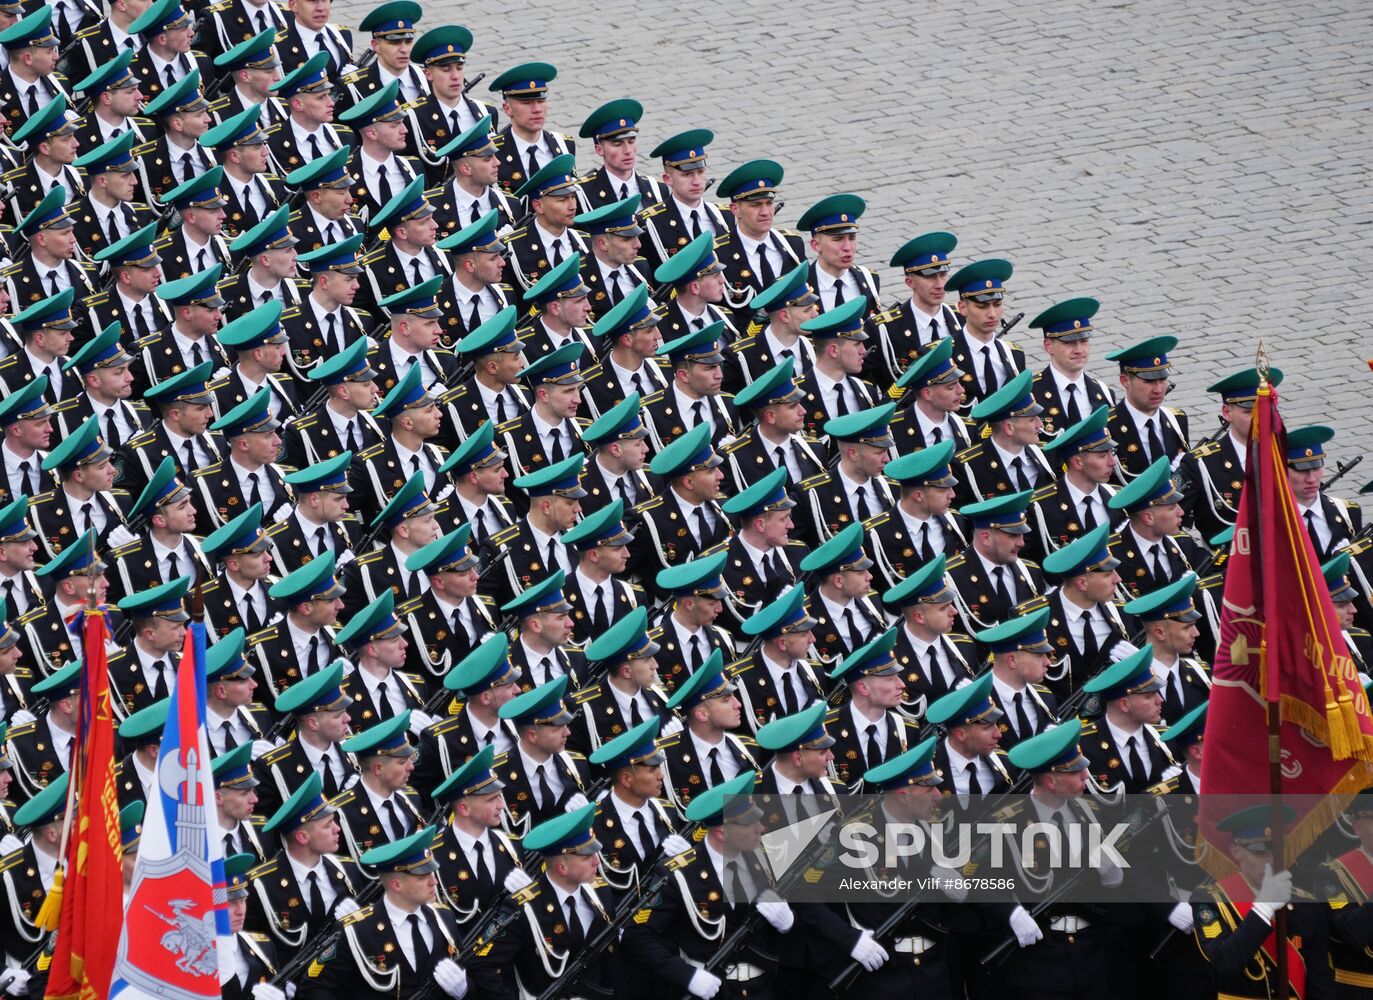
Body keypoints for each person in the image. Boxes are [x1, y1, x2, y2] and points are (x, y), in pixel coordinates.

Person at [622, 769, 797, 1000]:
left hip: (761, 988)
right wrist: (686, 976)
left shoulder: (768, 859)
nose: (761, 829)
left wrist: (787, 925)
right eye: (749, 824)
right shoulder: (679, 873)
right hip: (711, 990)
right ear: (721, 833)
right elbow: (637, 935)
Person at [989, 719, 1125, 1000]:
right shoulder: (1006, 822)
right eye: (1077, 772)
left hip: (1091, 960)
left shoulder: (1094, 814)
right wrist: (1010, 912)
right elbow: (980, 878)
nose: (1087, 776)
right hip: (1038, 965)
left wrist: (1114, 879)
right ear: (1051, 781)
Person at [466, 803, 617, 999]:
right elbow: (481, 963)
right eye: (587, 856)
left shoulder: (600, 893)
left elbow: (612, 963)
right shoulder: (523, 907)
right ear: (562, 866)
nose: (597, 861)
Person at [1192, 805, 1332, 999]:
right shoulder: (1210, 901)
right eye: (1258, 852)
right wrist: (1264, 906)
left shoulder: (1305, 903)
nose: (1270, 860)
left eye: (1276, 849)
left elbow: (1320, 981)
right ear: (1236, 851)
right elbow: (1225, 965)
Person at [246, 771, 364, 965]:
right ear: (302, 837)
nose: (337, 829)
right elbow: (254, 946)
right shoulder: (261, 884)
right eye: (327, 825)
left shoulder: (347, 871)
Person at [586, 717, 689, 895]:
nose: (661, 776)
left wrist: (689, 860)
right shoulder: (593, 823)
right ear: (627, 779)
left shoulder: (667, 811)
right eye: (652, 770)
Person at [413, 635, 522, 803]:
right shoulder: (439, 741)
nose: (518, 689)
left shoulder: (519, 726)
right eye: (509, 686)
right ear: (486, 697)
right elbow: (412, 791)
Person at [1032, 523, 1132, 699]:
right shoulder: (1034, 619)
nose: (1118, 579)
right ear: (1082, 583)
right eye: (1108, 574)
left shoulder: (1124, 616)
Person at [254, 663, 359, 815]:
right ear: (313, 723)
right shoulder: (274, 768)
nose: (348, 719)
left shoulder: (354, 754)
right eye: (338, 715)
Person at [400, 525, 498, 688]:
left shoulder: (487, 607)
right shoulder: (410, 619)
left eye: (474, 568)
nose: (475, 576)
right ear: (438, 581)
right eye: (463, 573)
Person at [659, 648, 758, 811]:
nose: (738, 704)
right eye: (726, 700)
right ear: (702, 714)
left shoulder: (750, 750)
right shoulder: (668, 760)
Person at [880, 554, 977, 717]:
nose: (954, 611)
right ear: (919, 617)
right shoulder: (888, 660)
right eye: (944, 607)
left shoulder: (964, 646)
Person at [715, 159, 808, 326]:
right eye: (756, 205)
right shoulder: (719, 254)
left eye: (769, 203)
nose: (765, 212)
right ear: (735, 210)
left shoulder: (792, 244)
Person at [492, 676, 590, 834]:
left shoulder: (577, 766)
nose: (567, 732)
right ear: (532, 736)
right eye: (558, 728)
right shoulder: (497, 776)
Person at [723, 359, 826, 507]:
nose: (803, 411)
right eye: (793, 406)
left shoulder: (814, 450)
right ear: (770, 416)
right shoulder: (735, 459)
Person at [402, 26, 500, 183]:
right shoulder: (413, 117)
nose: (455, 76)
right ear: (428, 74)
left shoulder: (486, 112)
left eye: (459, 68)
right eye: (446, 70)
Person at [31, 414, 134, 560]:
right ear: (78, 476)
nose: (113, 470)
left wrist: (132, 552)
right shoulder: (39, 512)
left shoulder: (121, 501)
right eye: (102, 466)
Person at [634, 423, 730, 581]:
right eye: (712, 470)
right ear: (689, 482)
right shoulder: (648, 520)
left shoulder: (725, 508)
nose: (721, 476)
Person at [106, 456, 206, 607]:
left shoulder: (204, 549)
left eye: (189, 502)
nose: (192, 511)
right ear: (160, 520)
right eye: (182, 506)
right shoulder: (123, 562)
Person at [568, 607, 669, 755]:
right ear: (626, 672)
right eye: (647, 660)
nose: (656, 665)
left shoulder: (660, 697)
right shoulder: (584, 709)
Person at [869, 441, 968, 592]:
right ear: (918, 495)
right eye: (943, 490)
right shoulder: (876, 534)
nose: (952, 495)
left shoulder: (956, 522)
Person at [867, 231, 962, 385]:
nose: (939, 285)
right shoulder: (885, 329)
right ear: (910, 282)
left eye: (943, 275)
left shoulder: (962, 318)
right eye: (930, 277)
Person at [825, 628, 914, 789]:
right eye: (890, 679)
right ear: (863, 688)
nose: (901, 685)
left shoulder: (908, 729)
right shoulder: (827, 730)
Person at [1079, 644, 1175, 794]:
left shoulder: (1168, 740)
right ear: (1124, 705)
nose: (1160, 700)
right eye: (1149, 696)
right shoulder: (1083, 747)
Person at [1029, 406, 1122, 560]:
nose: (1113, 462)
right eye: (1102, 456)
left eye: (1111, 453)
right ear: (1078, 462)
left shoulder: (1118, 499)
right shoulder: (1040, 507)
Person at [490, 455, 585, 606]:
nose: (578, 509)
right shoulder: (503, 548)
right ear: (546, 507)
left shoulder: (580, 541)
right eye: (570, 503)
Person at [197, 387, 295, 534]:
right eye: (268, 435)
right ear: (243, 444)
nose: (278, 441)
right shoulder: (205, 484)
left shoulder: (288, 478)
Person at [946, 490, 1046, 632]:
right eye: (1013, 536)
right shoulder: (951, 578)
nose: (1021, 543)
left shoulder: (1031, 573)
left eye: (1022, 535)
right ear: (986, 537)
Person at [250, 553, 346, 698]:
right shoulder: (260, 651)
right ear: (306, 608)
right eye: (331, 600)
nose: (341, 605)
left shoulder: (341, 639)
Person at [734, 583, 825, 736]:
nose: (813, 639)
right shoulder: (740, 680)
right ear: (782, 643)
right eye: (804, 634)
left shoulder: (815, 671)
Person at [797, 403, 896, 544]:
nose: (887, 459)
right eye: (879, 452)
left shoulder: (894, 489)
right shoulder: (812, 495)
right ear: (853, 454)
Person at [1121, 573, 1212, 725]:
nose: (1196, 633)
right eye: (1187, 627)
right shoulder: (1131, 684)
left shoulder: (1202, 674)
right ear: (1160, 633)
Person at [333, 711, 425, 857]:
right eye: (402, 762)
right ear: (378, 768)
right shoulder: (341, 814)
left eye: (410, 759)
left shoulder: (411, 798)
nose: (411, 767)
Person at [282, 236, 371, 386]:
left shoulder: (361, 321)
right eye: (349, 280)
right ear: (324, 281)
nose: (357, 286)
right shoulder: (287, 325)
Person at [1104, 336, 1192, 487]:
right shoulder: (1107, 427)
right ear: (1125, 381)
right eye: (1149, 381)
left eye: (1163, 379)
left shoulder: (1177, 419)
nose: (1158, 390)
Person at [637, 129, 726, 276]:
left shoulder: (725, 215)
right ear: (668, 179)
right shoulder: (651, 223)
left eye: (701, 172)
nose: (697, 181)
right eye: (687, 174)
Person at [723, 263, 820, 397]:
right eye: (807, 310)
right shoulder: (740, 358)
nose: (815, 314)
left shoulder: (815, 348)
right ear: (785, 316)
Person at [799, 521, 888, 665]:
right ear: (839, 581)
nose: (869, 576)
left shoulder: (872, 600)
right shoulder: (804, 618)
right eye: (860, 573)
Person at [1027, 297, 1115, 441]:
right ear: (1048, 346)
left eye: (1084, 341)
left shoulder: (1103, 393)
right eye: (1069, 343)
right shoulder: (1032, 394)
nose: (1079, 350)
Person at [649, 551, 736, 695]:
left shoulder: (724, 638)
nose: (720, 609)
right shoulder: (654, 645)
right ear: (689, 604)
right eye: (712, 603)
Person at [971, 609, 1060, 751]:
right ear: (1012, 660)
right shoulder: (975, 701)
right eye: (1039, 656)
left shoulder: (1045, 698)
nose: (1047, 662)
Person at [644, 320, 738, 453]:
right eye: (710, 368)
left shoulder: (728, 404)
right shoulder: (650, 412)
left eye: (719, 366)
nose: (719, 375)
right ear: (683, 375)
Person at [720, 466, 806, 612]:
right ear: (760, 524)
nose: (791, 526)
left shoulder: (798, 553)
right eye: (783, 519)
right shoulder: (721, 565)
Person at [960, 370, 1052, 502]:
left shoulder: (1048, 454)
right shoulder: (969, 466)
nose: (1040, 425)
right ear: (1009, 428)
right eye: (1032, 420)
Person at [945, 258, 1025, 407]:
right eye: (982, 306)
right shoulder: (945, 354)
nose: (992, 314)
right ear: (963, 308)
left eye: (997, 304)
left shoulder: (1015, 355)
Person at [560, 498, 641, 645]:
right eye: (618, 548)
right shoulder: (559, 596)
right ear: (594, 555)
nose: (627, 554)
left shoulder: (634, 596)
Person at [108, 576, 191, 718]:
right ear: (149, 634)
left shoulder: (189, 664)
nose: (184, 632)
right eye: (176, 627)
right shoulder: (109, 671)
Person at [487, 61, 574, 195]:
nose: (537, 109)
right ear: (507, 108)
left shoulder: (563, 144)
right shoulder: (493, 151)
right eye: (526, 103)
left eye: (541, 101)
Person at [501, 153, 584, 293]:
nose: (572, 206)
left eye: (573, 197)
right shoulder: (513, 249)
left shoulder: (585, 242)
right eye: (562, 200)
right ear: (538, 206)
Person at [797, 193, 883, 326]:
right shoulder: (801, 287)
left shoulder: (869, 278)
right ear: (816, 245)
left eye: (852, 238)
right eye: (837, 239)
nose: (848, 247)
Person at [435, 211, 516, 347]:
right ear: (470, 265)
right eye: (493, 258)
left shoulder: (506, 294)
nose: (502, 263)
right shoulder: (436, 300)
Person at [268, 452, 358, 576]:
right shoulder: (275, 541)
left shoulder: (350, 526)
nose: (346, 506)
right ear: (314, 500)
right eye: (338, 499)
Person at [926, 673, 1012, 798]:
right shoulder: (928, 773)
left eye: (995, 725)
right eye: (987, 728)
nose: (998, 734)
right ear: (961, 734)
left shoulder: (1003, 763)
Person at [497, 570, 583, 692]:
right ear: (535, 625)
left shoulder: (576, 657)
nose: (570, 623)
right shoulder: (503, 666)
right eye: (561, 617)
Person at [576, 394, 655, 520]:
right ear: (616, 450)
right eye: (638, 444)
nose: (646, 449)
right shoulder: (579, 487)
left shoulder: (652, 477)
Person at [576, 98, 664, 210]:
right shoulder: (583, 194)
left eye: (631, 141)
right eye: (617, 144)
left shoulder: (657, 190)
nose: (627, 150)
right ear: (599, 149)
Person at [574, 193, 647, 324]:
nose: (638, 245)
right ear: (603, 243)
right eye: (627, 239)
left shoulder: (641, 266)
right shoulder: (578, 276)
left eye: (637, 237)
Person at [221, 852, 284, 1000]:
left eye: (242, 900)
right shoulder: (193, 959)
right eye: (230, 904)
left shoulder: (262, 947)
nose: (240, 911)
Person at [204, 627, 275, 757]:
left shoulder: (260, 716)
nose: (254, 685)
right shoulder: (188, 731)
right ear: (221, 691)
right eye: (243, 681)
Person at [155, 166, 232, 280]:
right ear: (191, 217)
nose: (223, 215)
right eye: (214, 211)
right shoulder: (160, 255)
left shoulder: (228, 249)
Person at [215, 745, 271, 864]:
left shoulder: (263, 832)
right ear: (218, 797)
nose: (255, 799)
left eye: (253, 791)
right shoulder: (194, 843)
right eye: (245, 793)